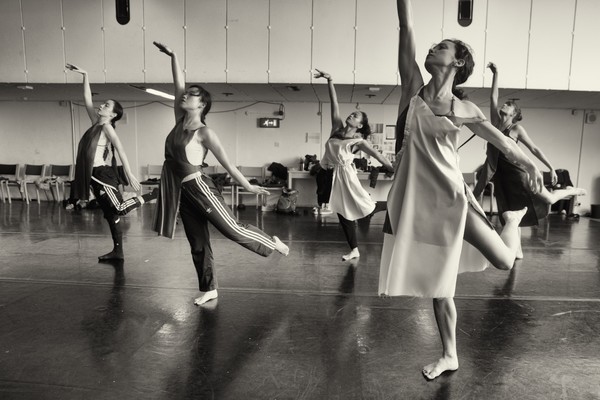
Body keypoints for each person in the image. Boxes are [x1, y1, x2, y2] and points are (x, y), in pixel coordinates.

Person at [378, 0, 545, 380]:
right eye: (435, 46)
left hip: (453, 200)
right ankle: (450, 355)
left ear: (457, 62)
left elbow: (504, 144)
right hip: (417, 203)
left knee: (504, 262)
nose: (434, 49)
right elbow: (406, 27)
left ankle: (512, 221)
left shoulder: (465, 109)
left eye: (443, 47)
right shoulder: (413, 90)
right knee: (441, 286)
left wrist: (532, 162)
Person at [152, 41, 289, 306]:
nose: (185, 96)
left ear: (202, 104)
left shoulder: (205, 132)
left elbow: (228, 164)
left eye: (192, 95)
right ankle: (209, 288)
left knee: (231, 229)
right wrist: (174, 56)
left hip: (199, 187)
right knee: (197, 242)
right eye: (187, 93)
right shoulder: (179, 121)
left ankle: (270, 243)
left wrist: (248, 187)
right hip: (180, 191)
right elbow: (177, 85)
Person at [473, 62, 587, 257]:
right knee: (509, 212)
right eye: (504, 103)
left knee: (549, 198)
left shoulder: (516, 130)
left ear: (514, 114)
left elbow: (534, 148)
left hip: (520, 175)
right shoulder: (494, 123)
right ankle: (516, 250)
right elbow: (493, 97)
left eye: (508, 105)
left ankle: (571, 190)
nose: (504, 105)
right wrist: (496, 74)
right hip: (501, 176)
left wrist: (550, 167)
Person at [66, 63, 157, 261]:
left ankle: (154, 195)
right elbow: (87, 99)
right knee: (110, 214)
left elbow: (121, 148)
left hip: (101, 175)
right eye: (103, 104)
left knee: (119, 209)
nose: (101, 106)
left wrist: (130, 173)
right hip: (93, 176)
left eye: (106, 105)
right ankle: (118, 251)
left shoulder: (107, 128)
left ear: (113, 114)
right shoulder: (95, 123)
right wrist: (86, 75)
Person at [313, 69, 394, 261]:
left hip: (345, 177)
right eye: (352, 113)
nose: (351, 115)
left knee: (353, 208)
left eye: (356, 116)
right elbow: (335, 104)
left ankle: (383, 207)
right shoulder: (336, 129)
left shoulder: (359, 142)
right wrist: (330, 80)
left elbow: (379, 157)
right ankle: (354, 249)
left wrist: (395, 170)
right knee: (342, 213)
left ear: (359, 125)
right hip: (328, 174)